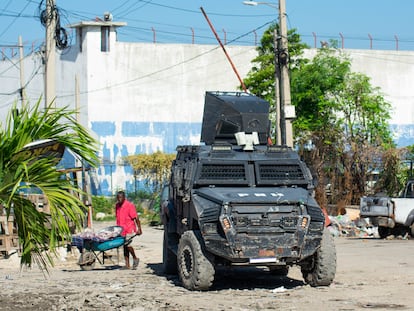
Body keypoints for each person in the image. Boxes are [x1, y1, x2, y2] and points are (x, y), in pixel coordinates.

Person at [115, 191, 142, 269]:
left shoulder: (129, 206)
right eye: (118, 198)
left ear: (124, 198)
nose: (119, 199)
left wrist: (139, 229)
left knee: (128, 244)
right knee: (124, 246)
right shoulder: (117, 206)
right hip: (121, 229)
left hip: (129, 228)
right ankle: (127, 265)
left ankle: (135, 258)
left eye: (121, 198)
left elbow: (136, 218)